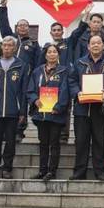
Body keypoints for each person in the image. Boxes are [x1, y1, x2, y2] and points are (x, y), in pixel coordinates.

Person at [40, 4, 92, 143]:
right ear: (51, 33)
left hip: (65, 80)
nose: (57, 32)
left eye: (59, 30)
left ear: (62, 32)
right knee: (49, 106)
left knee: (66, 107)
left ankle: (63, 135)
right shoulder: (45, 47)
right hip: (49, 81)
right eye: (54, 30)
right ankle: (50, 133)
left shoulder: (69, 42)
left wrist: (85, 15)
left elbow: (79, 30)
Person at [68, 34, 104, 180]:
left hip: (101, 109)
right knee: (81, 141)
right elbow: (72, 80)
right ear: (88, 46)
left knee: (100, 141)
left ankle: (100, 171)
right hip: (82, 109)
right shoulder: (79, 63)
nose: (96, 45)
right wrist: (78, 92)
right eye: (93, 43)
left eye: (98, 43)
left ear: (103, 45)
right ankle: (79, 171)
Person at [0, 36, 29, 179]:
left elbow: (24, 90)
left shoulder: (21, 66)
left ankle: (7, 168)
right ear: (1, 47)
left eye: (10, 45)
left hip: (13, 111)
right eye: (4, 45)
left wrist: (23, 112)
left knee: (10, 141)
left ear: (14, 48)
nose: (7, 48)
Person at [0, 0, 41, 142]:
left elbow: (38, 63)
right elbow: (3, 25)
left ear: (29, 29)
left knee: (22, 104)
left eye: (25, 25)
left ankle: (19, 132)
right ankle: (6, 131)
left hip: (26, 80)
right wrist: (3, 7)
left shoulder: (34, 44)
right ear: (17, 28)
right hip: (9, 78)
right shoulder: (12, 40)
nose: (22, 27)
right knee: (9, 103)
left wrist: (35, 79)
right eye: (20, 25)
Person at [26, 44, 70, 181]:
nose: (52, 54)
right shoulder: (37, 71)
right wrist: (35, 100)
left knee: (54, 143)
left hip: (56, 114)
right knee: (43, 143)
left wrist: (58, 106)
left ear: (58, 54)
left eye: (54, 52)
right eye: (49, 52)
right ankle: (42, 170)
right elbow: (30, 90)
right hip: (41, 114)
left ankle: (52, 171)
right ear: (45, 55)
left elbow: (65, 91)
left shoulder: (64, 71)